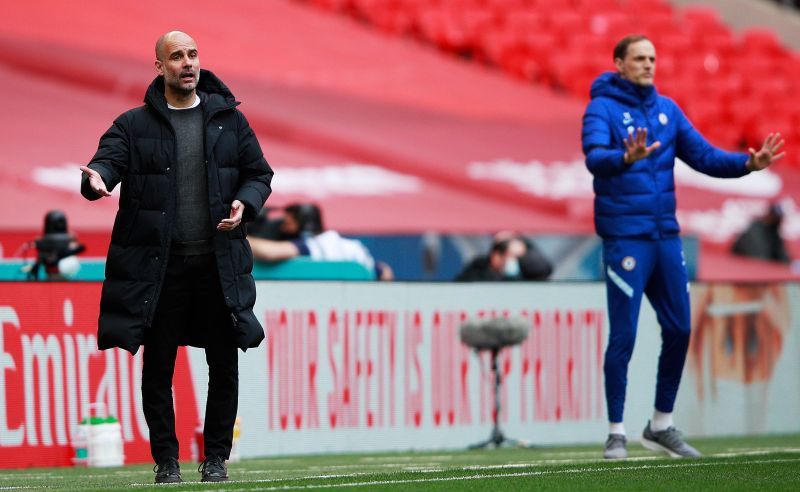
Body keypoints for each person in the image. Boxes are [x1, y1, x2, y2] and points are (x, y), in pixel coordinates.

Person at [80, 31, 273, 483]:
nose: (187, 63)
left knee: (224, 362)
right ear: (159, 67)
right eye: (177, 57)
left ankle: (217, 458)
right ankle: (166, 461)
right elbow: (106, 163)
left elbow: (259, 174)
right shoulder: (133, 124)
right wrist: (97, 182)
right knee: (158, 365)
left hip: (218, 263)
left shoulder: (228, 120)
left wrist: (246, 201)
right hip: (160, 267)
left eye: (193, 54)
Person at [581, 34, 785, 460]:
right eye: (639, 58)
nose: (648, 64)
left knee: (679, 329)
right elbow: (594, 158)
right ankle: (616, 432)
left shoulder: (666, 110)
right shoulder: (601, 109)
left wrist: (748, 164)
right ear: (619, 63)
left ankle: (661, 425)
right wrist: (624, 158)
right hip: (625, 237)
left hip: (665, 236)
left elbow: (706, 157)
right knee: (625, 334)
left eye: (653, 58)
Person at [247, 203, 394, 280]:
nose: (281, 227)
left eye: (287, 224)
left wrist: (236, 237)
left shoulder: (318, 244)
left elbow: (269, 253)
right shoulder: (352, 247)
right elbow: (385, 271)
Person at [455, 234, 552, 282]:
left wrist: (524, 249)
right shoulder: (478, 268)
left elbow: (544, 270)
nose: (509, 259)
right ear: (495, 256)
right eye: (505, 254)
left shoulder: (524, 266)